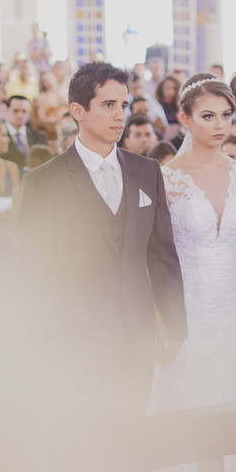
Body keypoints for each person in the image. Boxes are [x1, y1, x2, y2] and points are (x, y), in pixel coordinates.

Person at [18, 61, 186, 416]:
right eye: (108, 105)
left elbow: (162, 253)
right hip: (77, 339)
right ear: (78, 111)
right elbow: (30, 270)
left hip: (136, 333)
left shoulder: (146, 171)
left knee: (132, 438)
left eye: (123, 106)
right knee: (86, 443)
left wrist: (174, 324)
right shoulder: (44, 182)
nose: (119, 116)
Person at [144, 73, 236, 472]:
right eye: (208, 116)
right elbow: (154, 257)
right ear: (184, 119)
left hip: (233, 306)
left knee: (232, 402)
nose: (219, 125)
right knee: (186, 406)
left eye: (226, 116)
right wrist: (162, 322)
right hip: (187, 306)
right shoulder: (164, 178)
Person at [2, 95, 48, 171]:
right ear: (6, 110)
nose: (20, 115)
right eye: (15, 111)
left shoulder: (39, 137)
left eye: (24, 111)